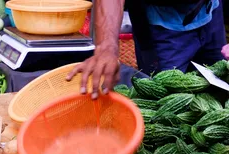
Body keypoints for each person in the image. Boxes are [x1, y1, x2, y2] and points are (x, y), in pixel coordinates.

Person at [67, 0, 227, 99]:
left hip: (211, 11)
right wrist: (106, 48)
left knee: (220, 85)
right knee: (167, 102)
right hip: (161, 27)